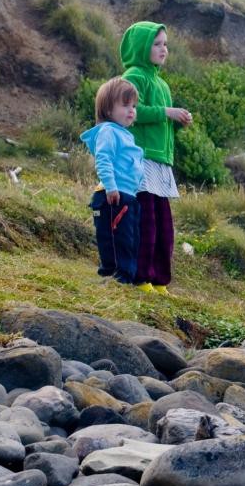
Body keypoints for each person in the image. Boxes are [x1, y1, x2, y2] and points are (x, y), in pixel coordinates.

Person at [119, 21, 192, 294]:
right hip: (140, 158)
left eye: (165, 44)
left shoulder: (161, 83)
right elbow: (131, 111)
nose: (164, 49)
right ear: (142, 47)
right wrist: (166, 113)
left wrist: (176, 121)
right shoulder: (133, 76)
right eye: (157, 44)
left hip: (160, 161)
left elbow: (161, 118)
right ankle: (140, 276)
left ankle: (159, 279)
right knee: (144, 221)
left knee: (163, 225)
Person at [80, 78, 144, 285]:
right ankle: (117, 276)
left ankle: (125, 276)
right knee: (118, 238)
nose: (131, 110)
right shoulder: (108, 131)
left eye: (133, 105)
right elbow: (103, 159)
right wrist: (111, 186)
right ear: (107, 109)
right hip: (114, 194)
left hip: (128, 195)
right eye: (125, 105)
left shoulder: (126, 135)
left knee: (130, 237)